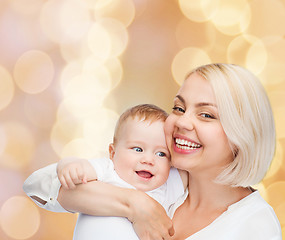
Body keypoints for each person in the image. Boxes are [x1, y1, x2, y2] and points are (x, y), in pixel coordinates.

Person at [25, 63, 282, 240]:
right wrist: (135, 204)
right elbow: (39, 187)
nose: (182, 122)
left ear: (243, 134)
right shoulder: (157, 174)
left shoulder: (255, 224)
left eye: (206, 115)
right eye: (179, 108)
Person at [23, 104, 187, 239]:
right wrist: (67, 165)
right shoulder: (107, 170)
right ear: (113, 153)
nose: (148, 160)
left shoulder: (165, 186)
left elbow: (195, 173)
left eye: (161, 154)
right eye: (138, 149)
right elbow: (76, 169)